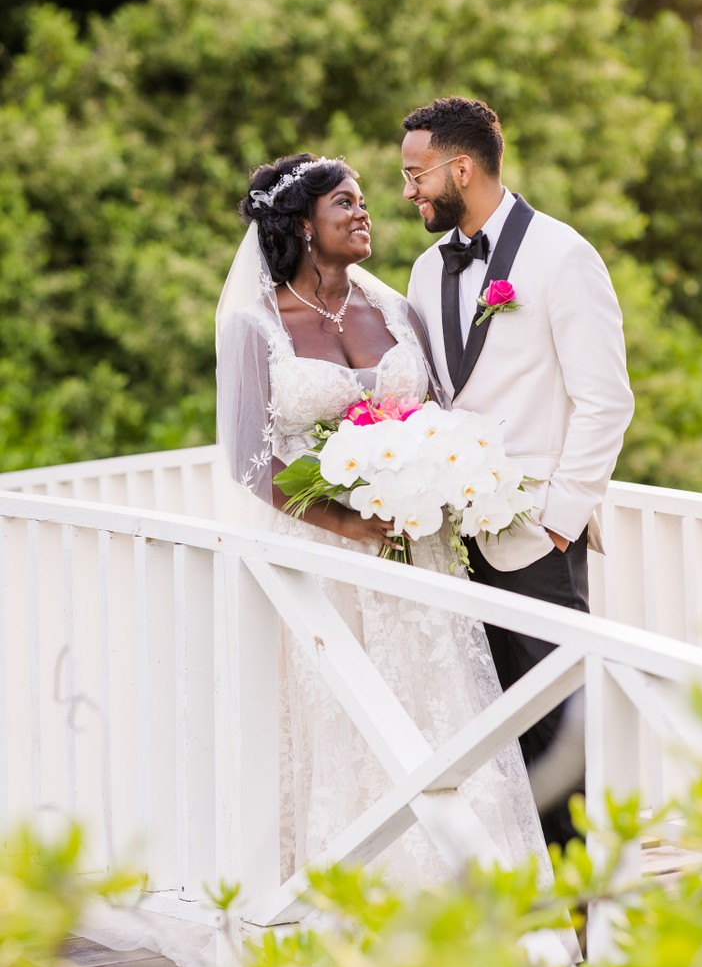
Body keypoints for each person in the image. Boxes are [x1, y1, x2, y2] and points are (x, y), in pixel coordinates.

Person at [215, 152, 556, 895]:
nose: (365, 211)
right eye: (345, 202)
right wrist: (345, 522)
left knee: (437, 705)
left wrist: (435, 476)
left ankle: (468, 885)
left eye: (363, 199)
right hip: (321, 557)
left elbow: (437, 417)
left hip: (416, 548)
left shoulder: (395, 310)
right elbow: (249, 460)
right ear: (303, 224)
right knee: (346, 714)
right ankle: (354, 890)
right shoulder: (255, 325)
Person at [403, 97, 635, 847]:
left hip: (537, 543)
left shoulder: (563, 256)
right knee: (486, 744)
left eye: (415, 174)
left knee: (561, 748)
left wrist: (558, 522)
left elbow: (606, 401)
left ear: (461, 168)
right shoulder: (424, 270)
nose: (407, 191)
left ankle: (581, 913)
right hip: (452, 545)